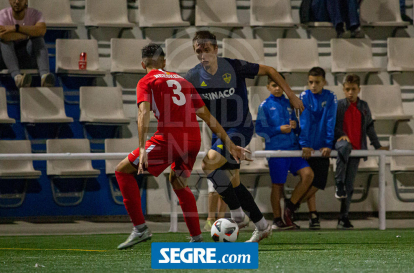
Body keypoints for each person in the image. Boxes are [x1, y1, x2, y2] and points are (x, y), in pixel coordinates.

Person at [115, 44, 250, 249]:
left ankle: (140, 229)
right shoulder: (182, 81)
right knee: (178, 182)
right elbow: (207, 116)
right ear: (164, 62)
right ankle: (196, 237)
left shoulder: (146, 81)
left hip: (170, 138)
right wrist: (229, 143)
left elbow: (143, 112)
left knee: (122, 171)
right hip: (192, 140)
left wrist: (142, 147)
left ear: (143, 64)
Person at [185, 30, 304, 242]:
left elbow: (269, 70)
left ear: (216, 49)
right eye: (198, 51)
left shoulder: (233, 66)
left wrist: (291, 94)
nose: (203, 55)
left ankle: (238, 214)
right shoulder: (193, 77)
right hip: (220, 134)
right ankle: (262, 225)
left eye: (207, 50)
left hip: (241, 128)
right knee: (234, 182)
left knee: (208, 164)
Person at [256, 76, 314, 230]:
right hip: (276, 151)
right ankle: (277, 219)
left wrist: (295, 126)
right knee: (278, 185)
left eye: (280, 85)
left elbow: (297, 127)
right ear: (268, 87)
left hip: (293, 149)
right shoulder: (265, 106)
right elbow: (260, 130)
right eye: (274, 85)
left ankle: (290, 207)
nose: (277, 88)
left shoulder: (289, 102)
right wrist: (278, 129)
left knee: (308, 174)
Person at [334, 74, 388, 229]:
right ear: (343, 90)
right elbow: (334, 126)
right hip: (343, 147)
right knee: (342, 181)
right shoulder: (339, 106)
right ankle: (338, 183)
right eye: (347, 89)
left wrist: (377, 146)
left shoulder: (363, 106)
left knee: (349, 185)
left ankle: (343, 217)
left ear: (359, 89)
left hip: (357, 149)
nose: (350, 92)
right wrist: (342, 136)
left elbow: (369, 127)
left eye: (353, 89)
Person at [299, 67, 337, 230]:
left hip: (322, 147)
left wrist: (328, 144)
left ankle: (292, 205)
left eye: (317, 82)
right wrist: (305, 144)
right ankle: (313, 214)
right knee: (309, 181)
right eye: (310, 82)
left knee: (319, 182)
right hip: (307, 147)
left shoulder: (330, 97)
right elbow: (304, 121)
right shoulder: (304, 96)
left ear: (324, 82)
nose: (313, 85)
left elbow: (330, 121)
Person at [0, 0, 55, 88]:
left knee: (38, 39)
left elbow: (41, 30)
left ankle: (45, 76)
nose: (17, 2)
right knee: (4, 42)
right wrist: (29, 34)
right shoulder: (2, 15)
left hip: (26, 56)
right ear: (9, 0)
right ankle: (18, 78)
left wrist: (16, 28)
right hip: (6, 59)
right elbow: (3, 35)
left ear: (26, 0)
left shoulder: (36, 14)